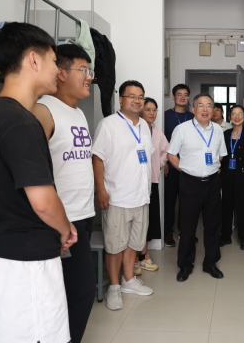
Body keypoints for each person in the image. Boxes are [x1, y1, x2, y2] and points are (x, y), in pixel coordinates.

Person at [0, 22, 77, 343]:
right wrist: (65, 228)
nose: (58, 71)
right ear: (33, 60)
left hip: (0, 257)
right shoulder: (21, 122)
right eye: (54, 61)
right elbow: (43, 201)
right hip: (23, 266)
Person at [32, 44, 96, 343]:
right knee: (76, 292)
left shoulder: (78, 113)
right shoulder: (43, 111)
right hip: (61, 222)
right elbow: (33, 172)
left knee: (77, 292)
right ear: (61, 73)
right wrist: (57, 223)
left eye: (90, 71)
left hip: (83, 215)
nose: (89, 77)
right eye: (83, 70)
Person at [92, 80, 154, 311]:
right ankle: (114, 287)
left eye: (140, 96)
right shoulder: (108, 125)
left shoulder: (144, 126)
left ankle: (129, 281)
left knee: (133, 243)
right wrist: (101, 190)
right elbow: (97, 158)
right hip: (117, 197)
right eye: (132, 96)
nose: (137, 100)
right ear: (121, 99)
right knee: (115, 246)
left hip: (141, 196)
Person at [167, 93, 227, 282]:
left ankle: (211, 263)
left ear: (213, 110)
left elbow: (221, 154)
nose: (205, 109)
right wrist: (186, 170)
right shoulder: (182, 129)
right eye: (201, 105)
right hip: (190, 183)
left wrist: (212, 169)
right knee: (187, 227)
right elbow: (171, 154)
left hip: (212, 183)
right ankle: (185, 265)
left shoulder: (218, 130)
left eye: (209, 105)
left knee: (213, 226)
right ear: (193, 109)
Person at [219, 105, 244, 250]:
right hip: (226, 174)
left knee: (242, 207)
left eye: (240, 114)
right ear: (229, 117)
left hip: (241, 175)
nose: (237, 117)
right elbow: (220, 154)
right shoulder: (225, 134)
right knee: (226, 206)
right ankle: (225, 236)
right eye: (234, 114)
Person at [136, 97, 169, 273]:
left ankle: (144, 256)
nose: (151, 113)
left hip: (152, 181)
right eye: (148, 109)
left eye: (154, 110)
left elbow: (168, 150)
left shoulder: (157, 132)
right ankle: (133, 259)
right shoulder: (135, 129)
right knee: (136, 222)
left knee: (149, 220)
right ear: (141, 111)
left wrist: (159, 163)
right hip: (134, 183)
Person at [163, 84, 194, 247]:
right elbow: (161, 141)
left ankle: (185, 231)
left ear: (188, 98)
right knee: (169, 200)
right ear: (173, 97)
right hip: (171, 164)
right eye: (179, 94)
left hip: (190, 166)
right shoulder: (165, 116)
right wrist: (164, 161)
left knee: (187, 201)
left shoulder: (193, 117)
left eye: (185, 94)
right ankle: (168, 232)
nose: (182, 97)